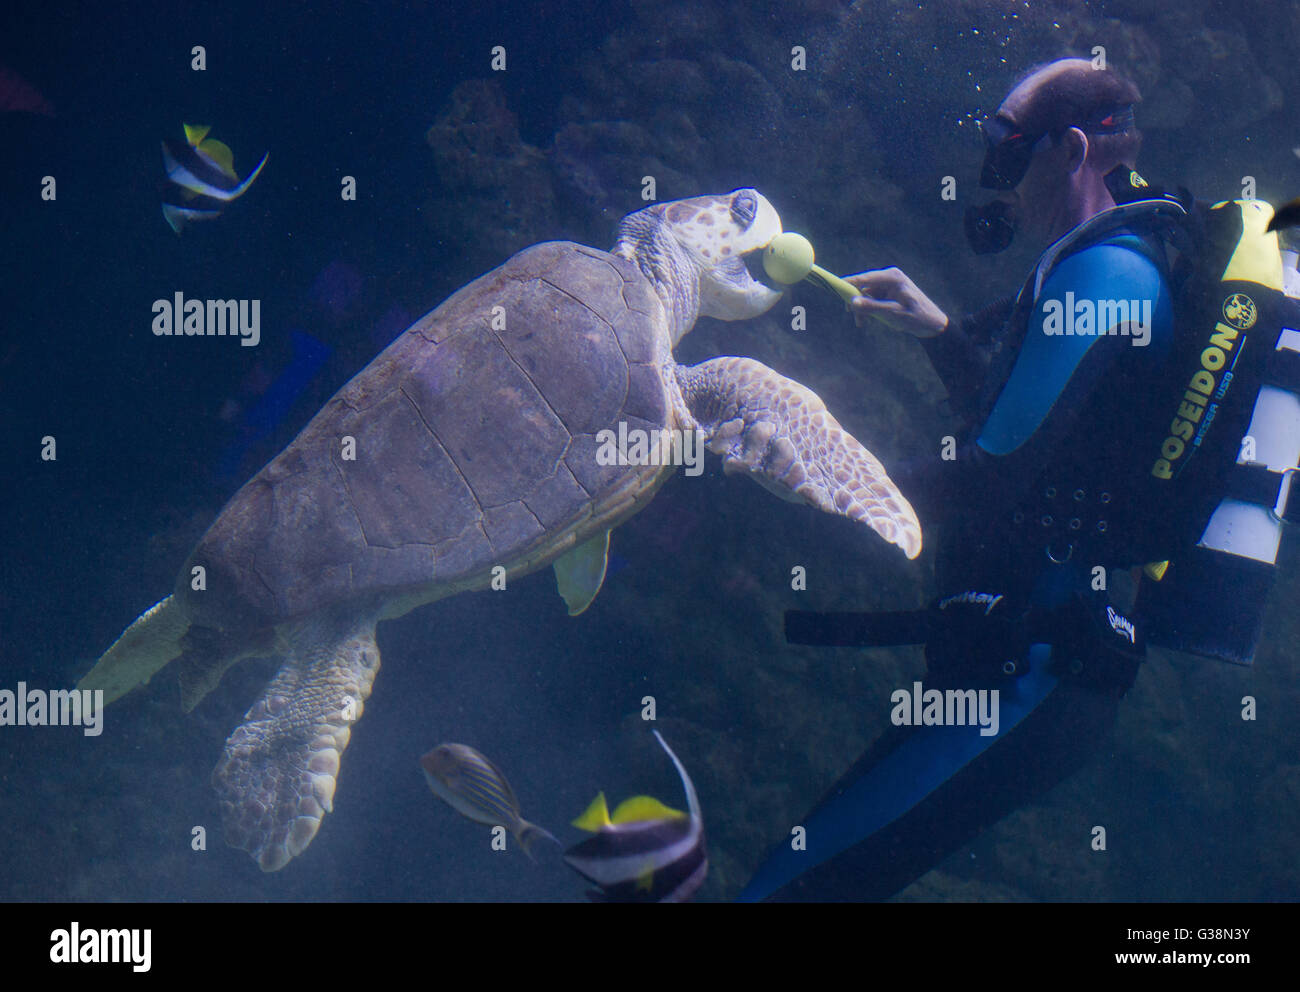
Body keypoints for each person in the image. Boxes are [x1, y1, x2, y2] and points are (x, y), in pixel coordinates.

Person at [742, 57, 1300, 901]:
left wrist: (807, 470)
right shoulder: (1131, 253)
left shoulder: (1105, 273)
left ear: (1071, 150)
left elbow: (991, 482)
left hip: (1031, 676)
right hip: (1044, 668)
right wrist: (938, 334)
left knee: (786, 891)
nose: (992, 183)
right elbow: (1065, 451)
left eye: (1006, 157)